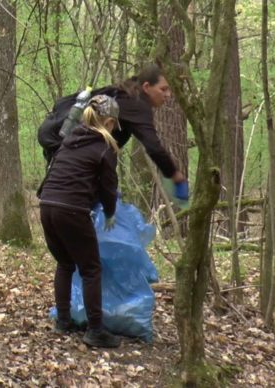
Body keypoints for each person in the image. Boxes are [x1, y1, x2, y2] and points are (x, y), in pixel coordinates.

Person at [38, 95, 122, 348]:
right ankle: (96, 330)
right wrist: (110, 212)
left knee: (65, 263)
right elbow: (108, 187)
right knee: (91, 269)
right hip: (72, 210)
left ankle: (63, 321)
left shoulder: (69, 140)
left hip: (46, 206)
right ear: (108, 122)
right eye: (114, 124)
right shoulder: (104, 147)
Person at [39, 65, 189, 201]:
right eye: (163, 89)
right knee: (76, 198)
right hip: (62, 137)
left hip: (54, 131)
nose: (168, 95)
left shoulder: (122, 93)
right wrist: (175, 175)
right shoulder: (137, 104)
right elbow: (154, 147)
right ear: (146, 87)